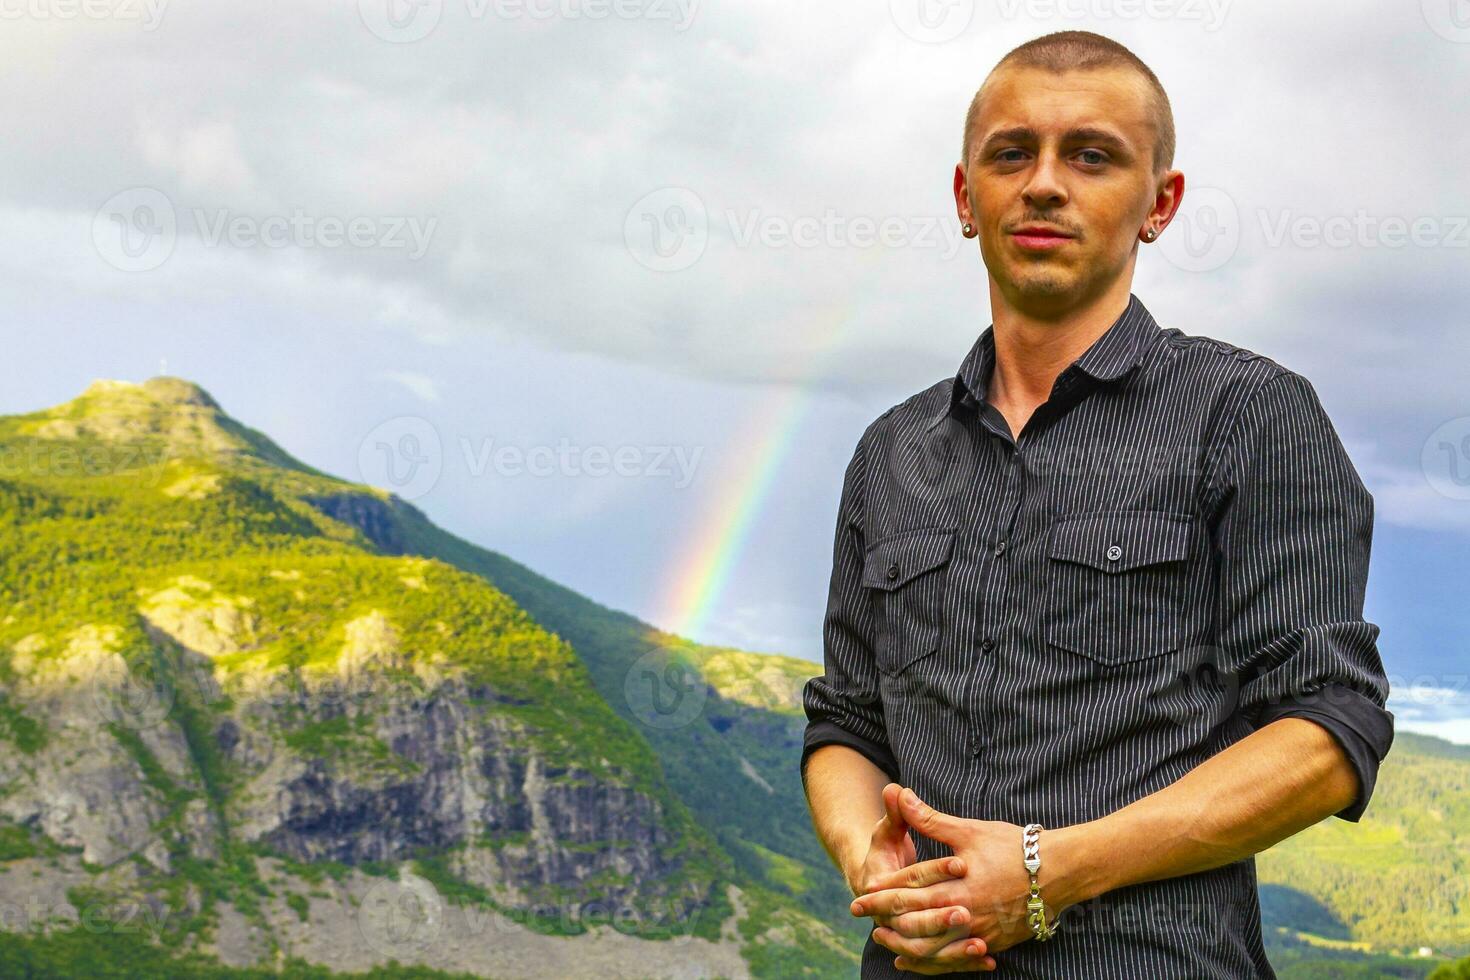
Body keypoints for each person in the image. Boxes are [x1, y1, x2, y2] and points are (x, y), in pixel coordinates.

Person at [799, 30, 1394, 979]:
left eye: (1091, 155)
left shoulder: (1245, 416)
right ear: (966, 198)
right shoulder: (889, 455)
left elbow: (1329, 732)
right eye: (1010, 153)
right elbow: (847, 725)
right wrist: (869, 860)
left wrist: (1044, 875)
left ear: (1159, 204)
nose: (1043, 183)